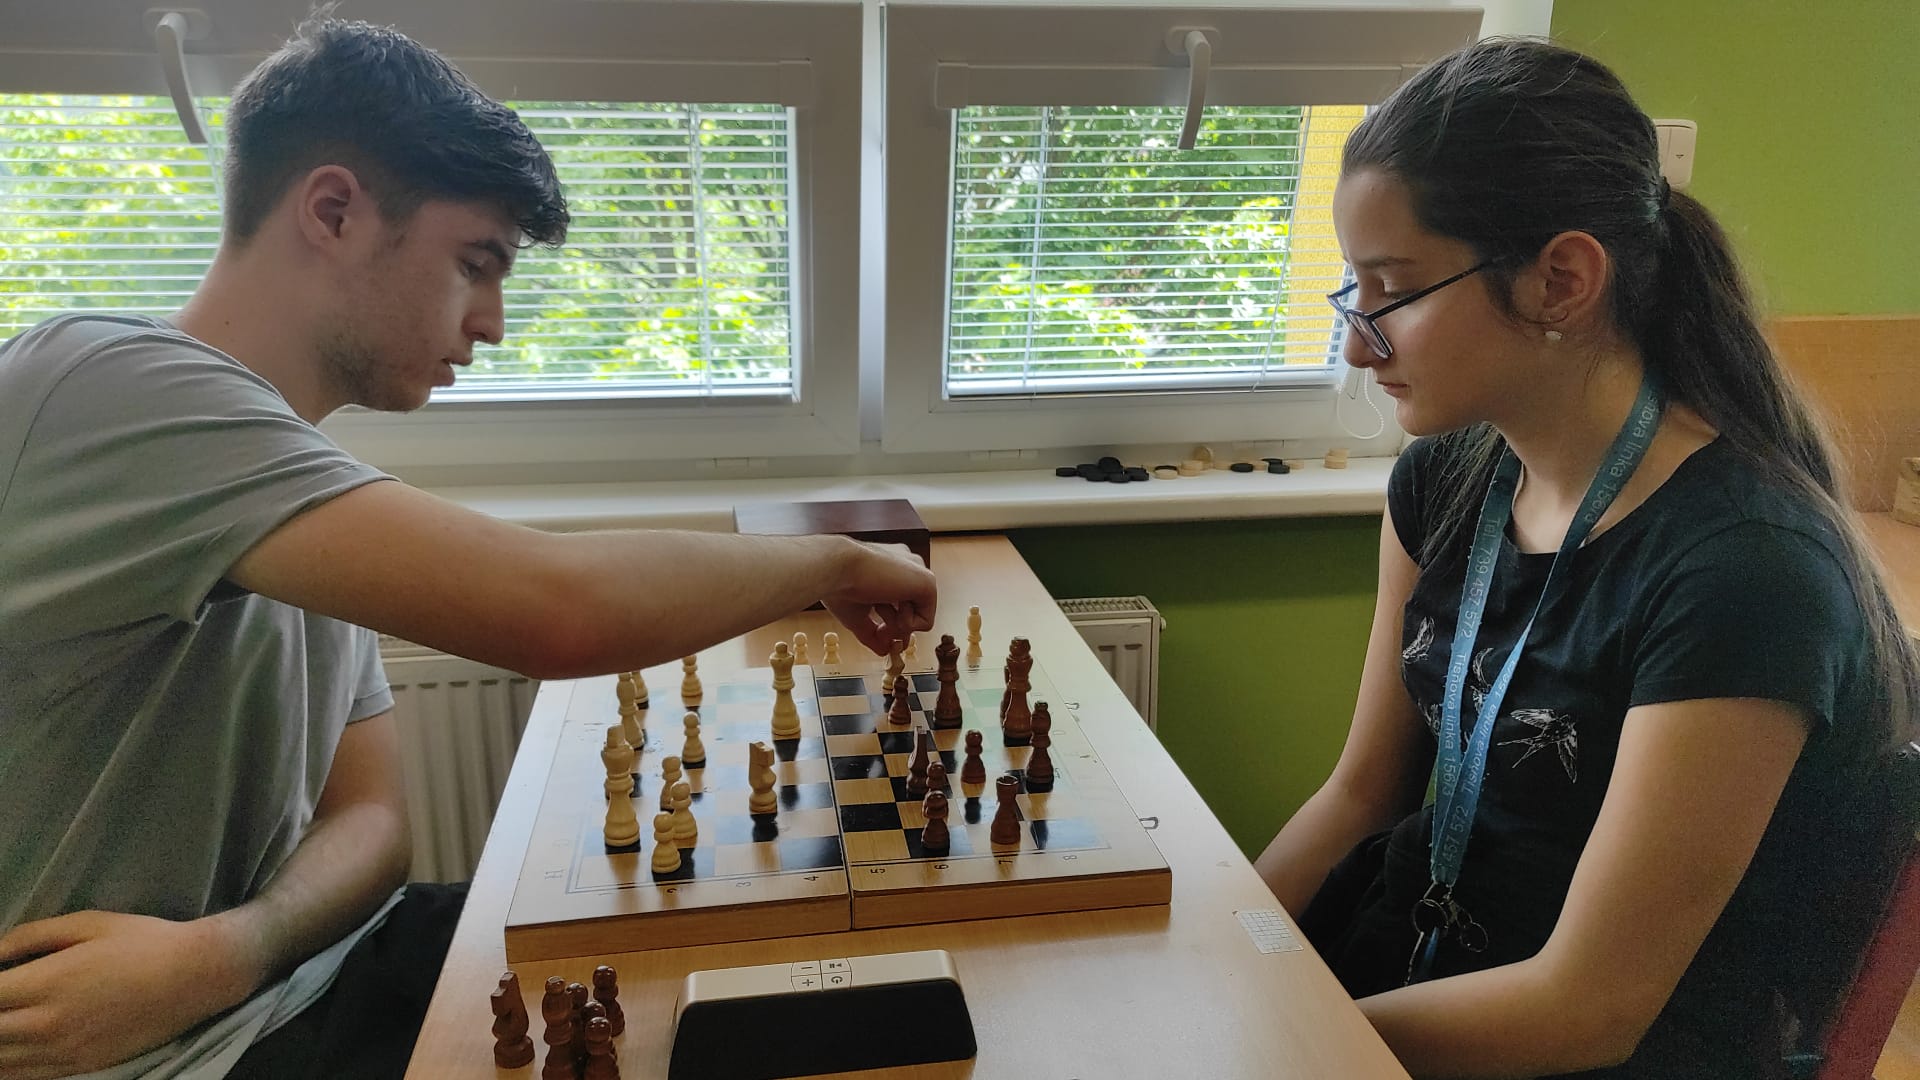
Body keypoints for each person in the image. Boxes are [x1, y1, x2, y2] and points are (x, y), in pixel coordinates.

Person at [0, 18, 934, 1080]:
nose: (490, 322)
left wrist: (228, 954)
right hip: (156, 1059)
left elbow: (374, 822)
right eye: (474, 263)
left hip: (285, 982)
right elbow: (559, 609)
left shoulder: (299, 493)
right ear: (334, 211)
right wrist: (832, 562)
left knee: (752, 962)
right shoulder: (102, 384)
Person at [1255, 37, 1916, 1079]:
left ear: (1561, 280)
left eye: (1394, 291)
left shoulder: (1746, 575)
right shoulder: (1445, 481)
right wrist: (1223, 962)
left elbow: (1588, 1009)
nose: (1357, 342)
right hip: (1408, 993)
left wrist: (1268, 1043)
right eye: (1355, 290)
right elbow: (1359, 797)